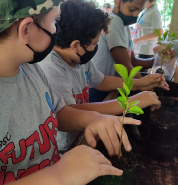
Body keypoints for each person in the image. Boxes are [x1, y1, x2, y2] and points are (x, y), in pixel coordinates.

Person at [0, 0, 146, 184]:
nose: (57, 30)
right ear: (26, 30)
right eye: (54, 21)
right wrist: (59, 175)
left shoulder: (29, 66)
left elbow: (55, 114)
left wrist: (92, 118)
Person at [39, 0, 168, 154]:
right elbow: (68, 113)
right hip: (61, 149)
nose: (96, 48)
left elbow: (101, 81)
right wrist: (132, 101)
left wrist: (140, 83)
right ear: (75, 45)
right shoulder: (51, 68)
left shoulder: (79, 59)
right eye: (94, 44)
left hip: (79, 135)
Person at [90, 0, 175, 102]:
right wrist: (146, 86)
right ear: (117, 1)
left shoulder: (123, 25)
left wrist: (159, 59)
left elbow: (133, 61)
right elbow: (126, 66)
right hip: (102, 89)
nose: (135, 15)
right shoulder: (114, 21)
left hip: (114, 86)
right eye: (132, 9)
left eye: (139, 11)